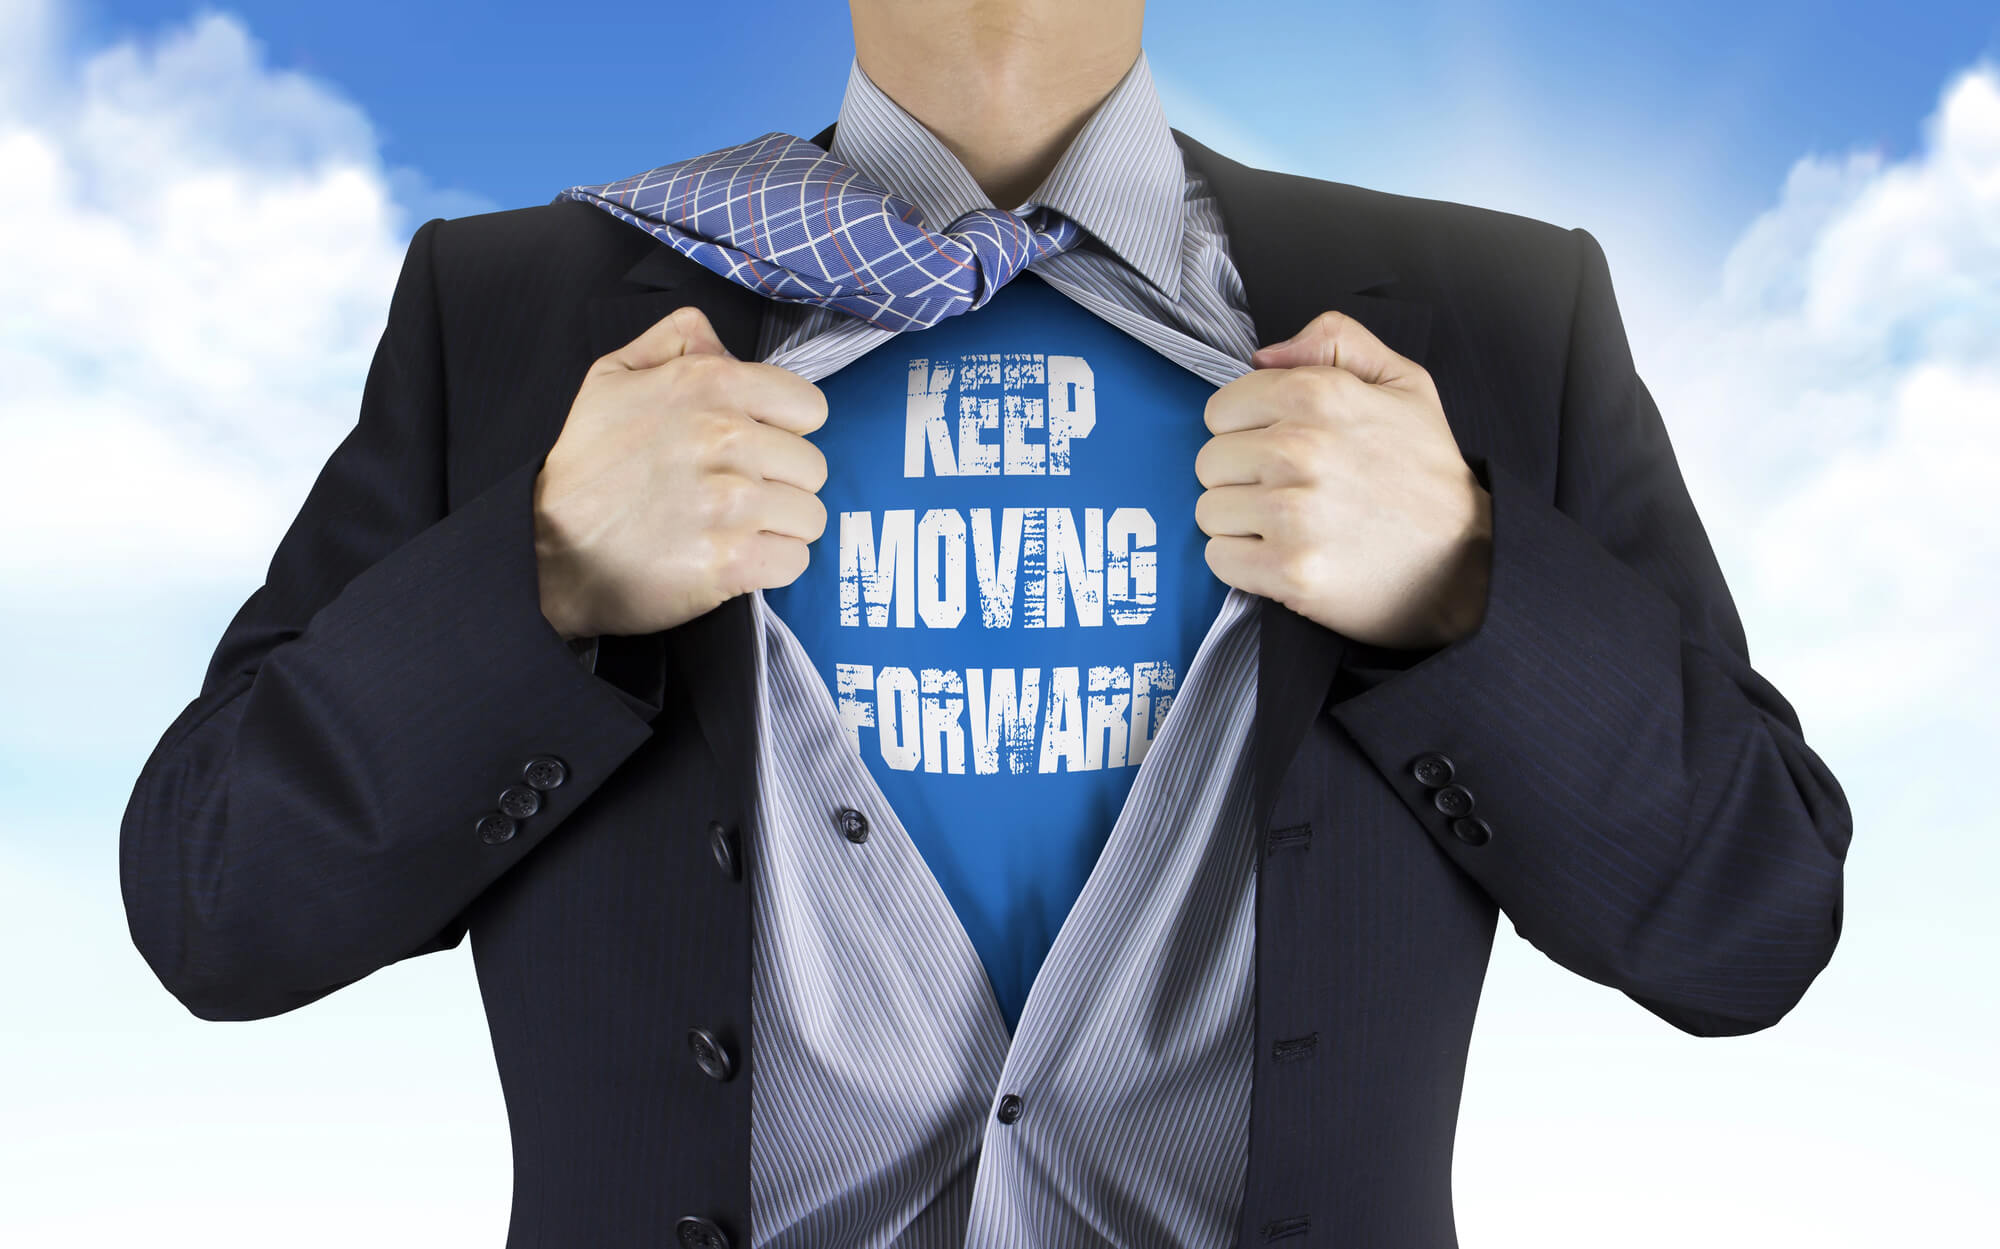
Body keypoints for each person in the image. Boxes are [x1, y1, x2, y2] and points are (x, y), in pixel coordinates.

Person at [120, 1, 1853, 1246]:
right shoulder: (515, 311)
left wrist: (1466, 582)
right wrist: (542, 571)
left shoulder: (1494, 312)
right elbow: (216, 902)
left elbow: (1749, 916)